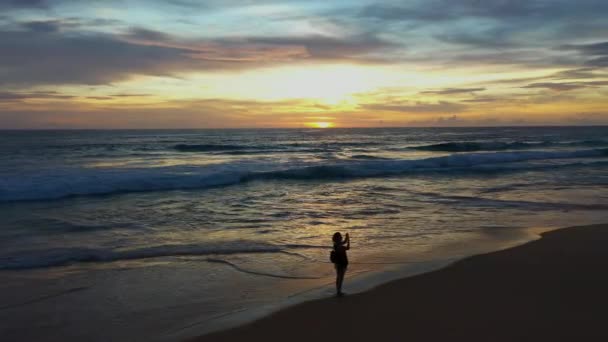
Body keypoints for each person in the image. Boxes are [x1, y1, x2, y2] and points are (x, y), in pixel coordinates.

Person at [332, 232, 350, 296]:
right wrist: (348, 239)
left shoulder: (336, 245)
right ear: (337, 238)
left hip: (338, 263)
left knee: (338, 278)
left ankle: (338, 291)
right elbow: (347, 246)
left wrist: (347, 238)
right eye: (340, 237)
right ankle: (339, 292)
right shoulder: (338, 245)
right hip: (341, 263)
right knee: (340, 278)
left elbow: (346, 245)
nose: (341, 237)